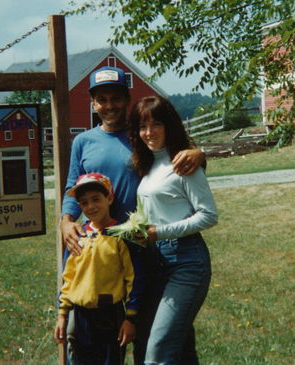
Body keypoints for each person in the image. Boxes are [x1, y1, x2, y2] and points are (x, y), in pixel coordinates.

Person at [59, 65, 205, 363]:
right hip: (101, 252)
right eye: (102, 99)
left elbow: (176, 160)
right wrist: (65, 221)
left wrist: (200, 154)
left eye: (115, 98)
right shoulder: (83, 142)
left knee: (155, 331)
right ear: (93, 104)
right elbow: (71, 188)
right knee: (93, 336)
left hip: (144, 247)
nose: (109, 105)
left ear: (127, 99)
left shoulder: (142, 136)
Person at [128, 95, 219, 365]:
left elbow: (209, 216)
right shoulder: (148, 165)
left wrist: (160, 232)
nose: (149, 133)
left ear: (169, 126)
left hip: (187, 263)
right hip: (155, 262)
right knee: (179, 350)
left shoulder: (183, 164)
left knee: (159, 350)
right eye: (143, 127)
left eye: (156, 124)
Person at [54, 172, 145, 365]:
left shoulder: (122, 236)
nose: (91, 206)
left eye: (96, 199)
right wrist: (62, 315)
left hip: (110, 315)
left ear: (110, 198)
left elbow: (134, 279)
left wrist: (131, 318)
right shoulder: (78, 237)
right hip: (80, 315)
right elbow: (68, 278)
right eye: (84, 203)